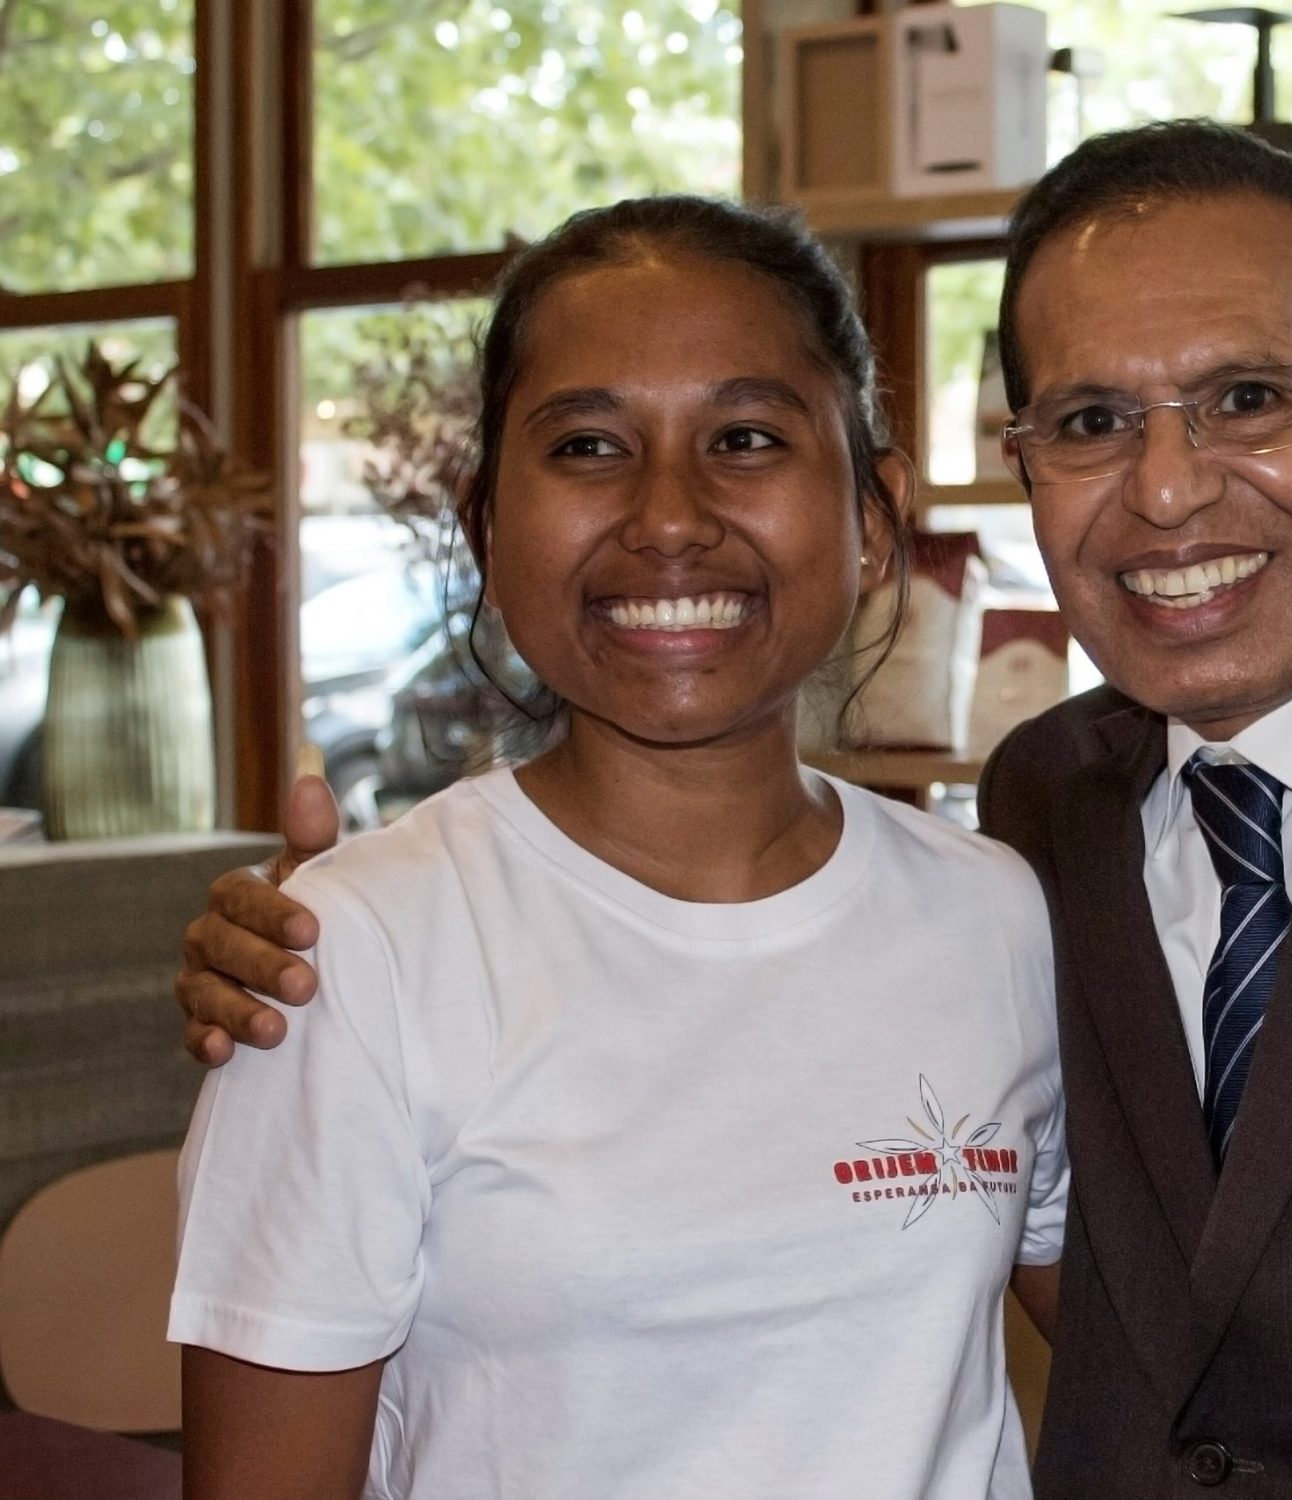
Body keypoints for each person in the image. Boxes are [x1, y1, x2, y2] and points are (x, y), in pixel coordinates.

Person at [179, 123, 1292, 1499]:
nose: (1169, 491)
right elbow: (1142, 1303)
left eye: (1246, 398)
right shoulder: (1050, 814)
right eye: (1092, 420)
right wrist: (333, 945)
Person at [168, 195, 1065, 1500]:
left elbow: (1175, 1366)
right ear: (484, 524)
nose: (667, 515)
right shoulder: (345, 958)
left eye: (747, 438)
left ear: (877, 514)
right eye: (588, 446)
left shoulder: (998, 919)